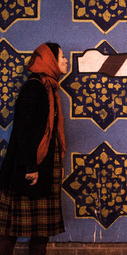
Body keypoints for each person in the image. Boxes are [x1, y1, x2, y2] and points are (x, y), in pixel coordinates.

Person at [0, 42, 68, 255]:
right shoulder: (35, 88)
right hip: (30, 167)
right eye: (62, 57)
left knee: (40, 230)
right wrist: (31, 167)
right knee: (12, 229)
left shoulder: (47, 87)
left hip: (43, 165)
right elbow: (25, 132)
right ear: (50, 61)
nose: (66, 61)